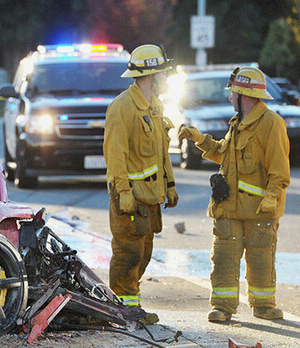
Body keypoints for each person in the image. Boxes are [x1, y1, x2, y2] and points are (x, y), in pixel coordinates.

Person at [178, 66, 290, 322]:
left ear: (245, 96)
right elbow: (224, 155)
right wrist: (200, 139)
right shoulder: (237, 124)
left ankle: (263, 305)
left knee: (261, 258)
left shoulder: (272, 124)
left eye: (233, 93)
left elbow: (280, 170)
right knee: (224, 257)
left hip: (259, 209)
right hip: (229, 207)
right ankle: (223, 307)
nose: (229, 97)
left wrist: (272, 196)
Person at [103, 44, 179, 325]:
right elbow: (115, 154)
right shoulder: (122, 107)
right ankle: (122, 312)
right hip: (130, 198)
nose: (166, 79)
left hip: (149, 198)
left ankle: (130, 309)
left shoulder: (155, 107)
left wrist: (169, 185)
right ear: (151, 75)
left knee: (144, 254)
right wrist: (123, 191)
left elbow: (161, 152)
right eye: (163, 74)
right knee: (128, 255)